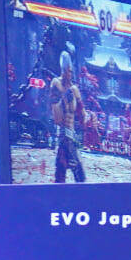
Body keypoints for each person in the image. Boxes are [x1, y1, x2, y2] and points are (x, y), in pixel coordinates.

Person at [49, 50, 86, 183]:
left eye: (70, 71)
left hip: (71, 136)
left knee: (63, 173)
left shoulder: (74, 89)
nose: (69, 74)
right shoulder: (56, 84)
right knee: (75, 175)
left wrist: (87, 117)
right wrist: (63, 99)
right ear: (62, 70)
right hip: (63, 136)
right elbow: (57, 118)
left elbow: (82, 116)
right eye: (67, 71)